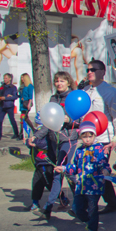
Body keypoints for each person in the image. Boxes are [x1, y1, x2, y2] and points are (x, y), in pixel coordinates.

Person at [28, 72, 77, 219]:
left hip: (68, 140)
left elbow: (80, 120)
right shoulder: (53, 99)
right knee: (66, 172)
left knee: (58, 172)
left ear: (68, 82)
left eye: (62, 81)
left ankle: (48, 208)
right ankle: (79, 196)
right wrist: (36, 137)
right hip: (54, 141)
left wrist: (68, 120)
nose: (59, 83)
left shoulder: (73, 97)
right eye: (56, 81)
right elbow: (48, 123)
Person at [54, 121, 111, 231]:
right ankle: (89, 223)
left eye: (90, 136)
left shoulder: (99, 148)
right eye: (84, 136)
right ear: (81, 137)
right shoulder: (79, 151)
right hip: (81, 186)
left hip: (94, 186)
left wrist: (105, 171)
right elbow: (74, 167)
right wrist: (63, 168)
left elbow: (105, 164)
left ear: (94, 136)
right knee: (77, 209)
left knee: (92, 210)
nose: (87, 139)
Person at [85, 60, 116, 214]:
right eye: (87, 69)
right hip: (87, 138)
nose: (89, 72)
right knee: (98, 172)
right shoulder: (86, 91)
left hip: (103, 140)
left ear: (103, 71)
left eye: (93, 69)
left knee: (95, 172)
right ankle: (112, 203)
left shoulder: (110, 92)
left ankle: (88, 206)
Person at [0, 73, 20, 141]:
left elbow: (15, 97)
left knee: (12, 120)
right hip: (2, 106)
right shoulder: (2, 86)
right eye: (4, 78)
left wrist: (5, 98)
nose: (4, 79)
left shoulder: (13, 87)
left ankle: (16, 134)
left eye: (6, 78)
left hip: (9, 106)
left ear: (9, 79)